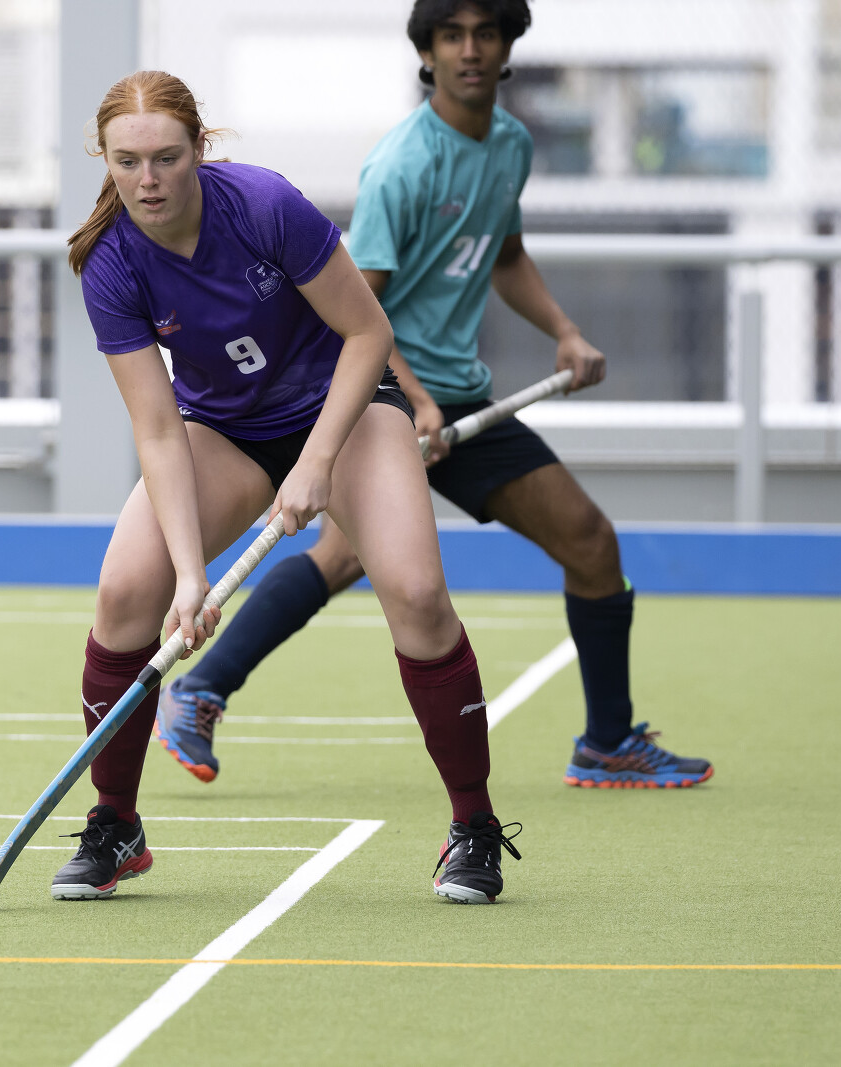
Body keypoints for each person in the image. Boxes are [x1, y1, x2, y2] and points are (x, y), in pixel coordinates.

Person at [155, 0, 713, 792]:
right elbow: (354, 314)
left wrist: (564, 331)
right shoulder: (403, 165)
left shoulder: (510, 144)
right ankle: (200, 689)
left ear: (508, 46)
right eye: (452, 36)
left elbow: (504, 253)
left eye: (486, 34)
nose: (470, 51)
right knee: (345, 556)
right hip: (384, 400)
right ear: (428, 54)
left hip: (462, 399)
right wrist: (411, 399)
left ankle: (608, 741)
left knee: (590, 542)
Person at [54, 70, 521, 908]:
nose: (148, 181)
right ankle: (115, 823)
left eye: (166, 158)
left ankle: (474, 825)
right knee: (126, 589)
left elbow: (367, 331)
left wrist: (318, 459)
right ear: (106, 160)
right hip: (222, 431)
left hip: (345, 409)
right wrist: (190, 576)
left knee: (418, 596)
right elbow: (157, 430)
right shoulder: (110, 262)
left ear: (200, 148)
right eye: (127, 162)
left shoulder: (264, 206)